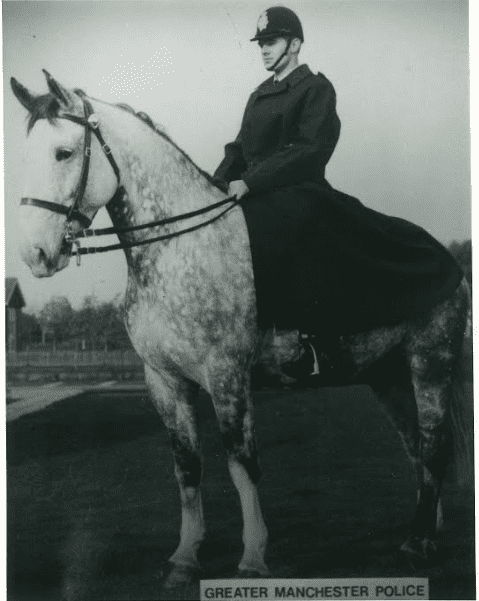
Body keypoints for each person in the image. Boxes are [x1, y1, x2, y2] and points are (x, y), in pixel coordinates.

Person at [214, 6, 463, 381]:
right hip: (258, 193)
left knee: (294, 227)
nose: (264, 50)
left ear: (294, 44)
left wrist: (252, 182)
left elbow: (308, 149)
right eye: (261, 43)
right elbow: (238, 149)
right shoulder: (258, 95)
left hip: (298, 193)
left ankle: (312, 343)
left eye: (272, 42)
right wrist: (213, 187)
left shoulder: (315, 89)